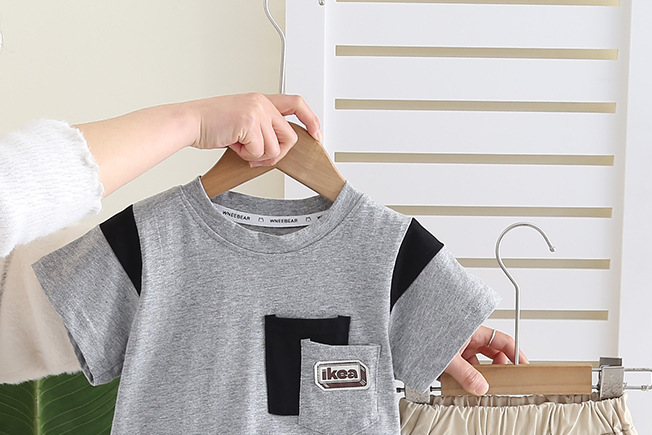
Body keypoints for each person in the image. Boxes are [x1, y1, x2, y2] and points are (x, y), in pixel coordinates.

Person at [0, 92, 517, 390]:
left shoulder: (386, 240)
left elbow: (26, 309)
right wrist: (189, 120)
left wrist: (409, 317)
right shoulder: (156, 233)